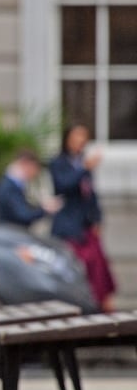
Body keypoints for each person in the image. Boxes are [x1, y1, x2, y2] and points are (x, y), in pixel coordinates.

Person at [49, 124, 116, 312]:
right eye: (77, 136)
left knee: (99, 268)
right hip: (68, 227)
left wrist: (97, 219)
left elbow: (90, 195)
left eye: (83, 137)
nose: (80, 141)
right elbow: (63, 186)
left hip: (85, 226)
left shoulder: (83, 163)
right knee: (76, 267)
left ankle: (100, 305)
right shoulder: (59, 163)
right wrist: (83, 168)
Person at [0, 149, 62, 229]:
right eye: (35, 168)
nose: (35, 173)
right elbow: (23, 215)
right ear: (26, 164)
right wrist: (45, 209)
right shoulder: (10, 186)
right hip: (11, 233)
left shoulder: (13, 184)